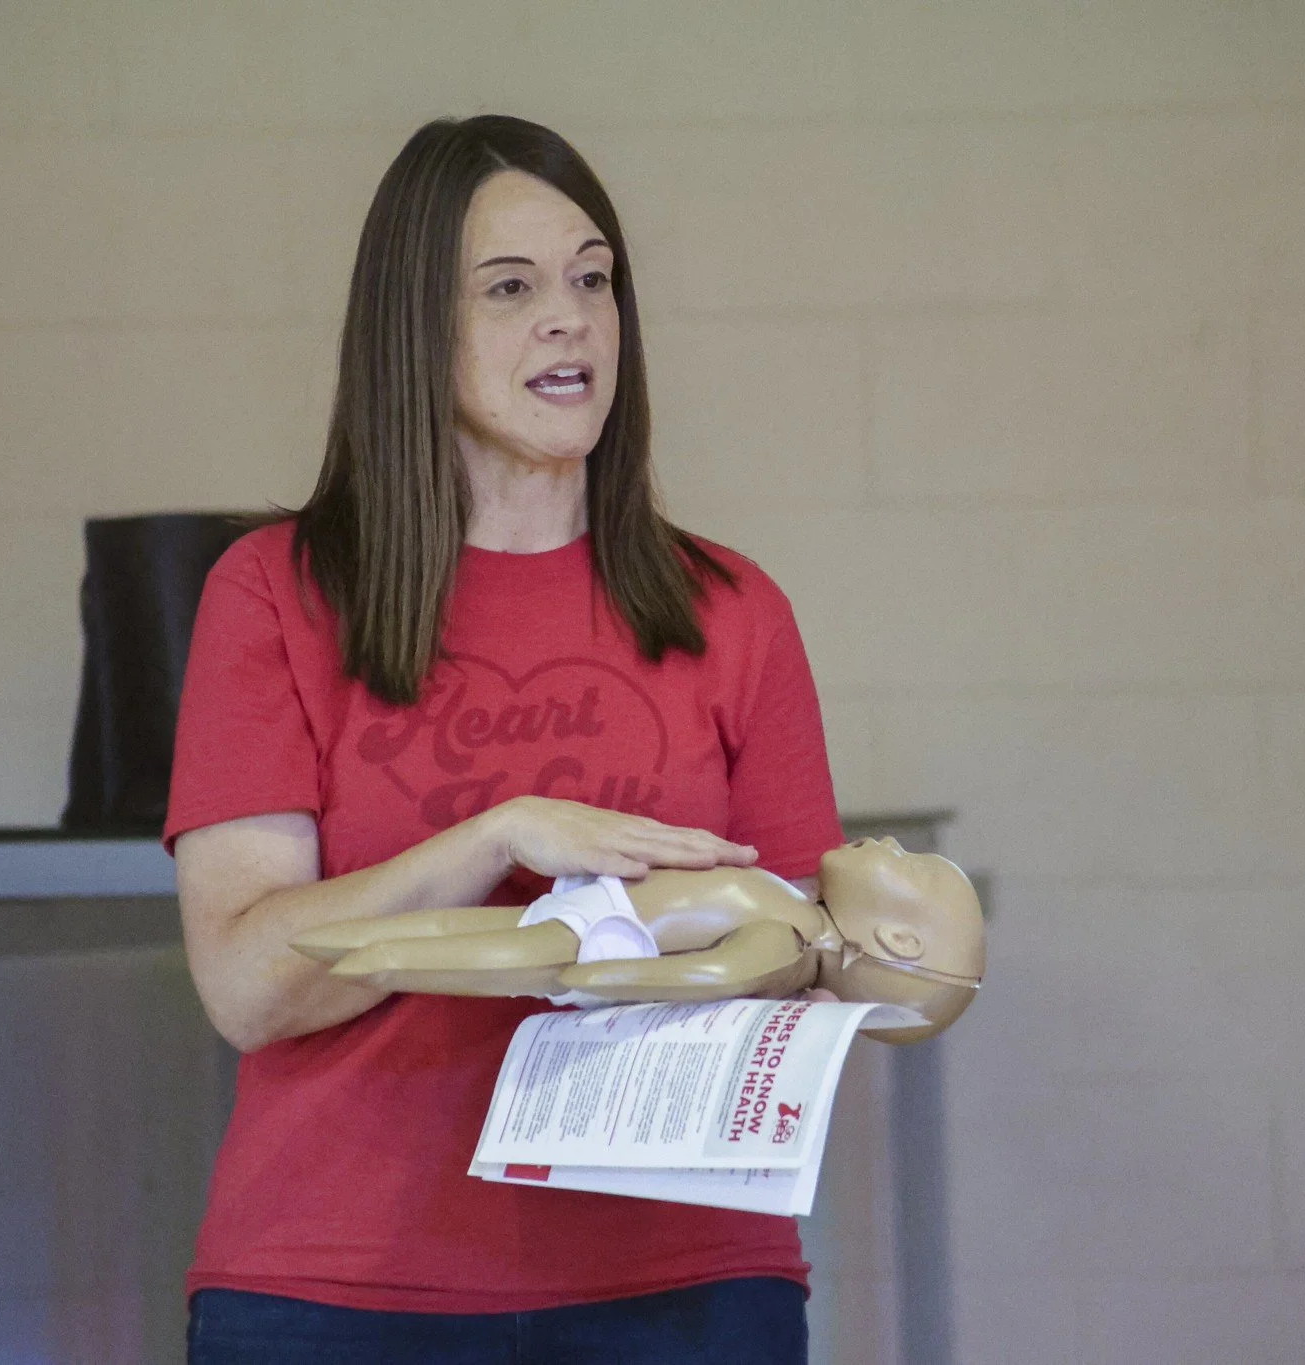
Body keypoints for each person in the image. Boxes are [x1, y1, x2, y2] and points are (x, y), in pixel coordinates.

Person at [165, 114, 842, 1365]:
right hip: (334, 1289)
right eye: (512, 288)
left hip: (685, 1284)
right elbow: (247, 987)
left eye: (593, 279)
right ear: (414, 328)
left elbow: (801, 949)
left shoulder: (734, 610)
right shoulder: (272, 594)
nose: (570, 318)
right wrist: (495, 839)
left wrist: (852, 936)